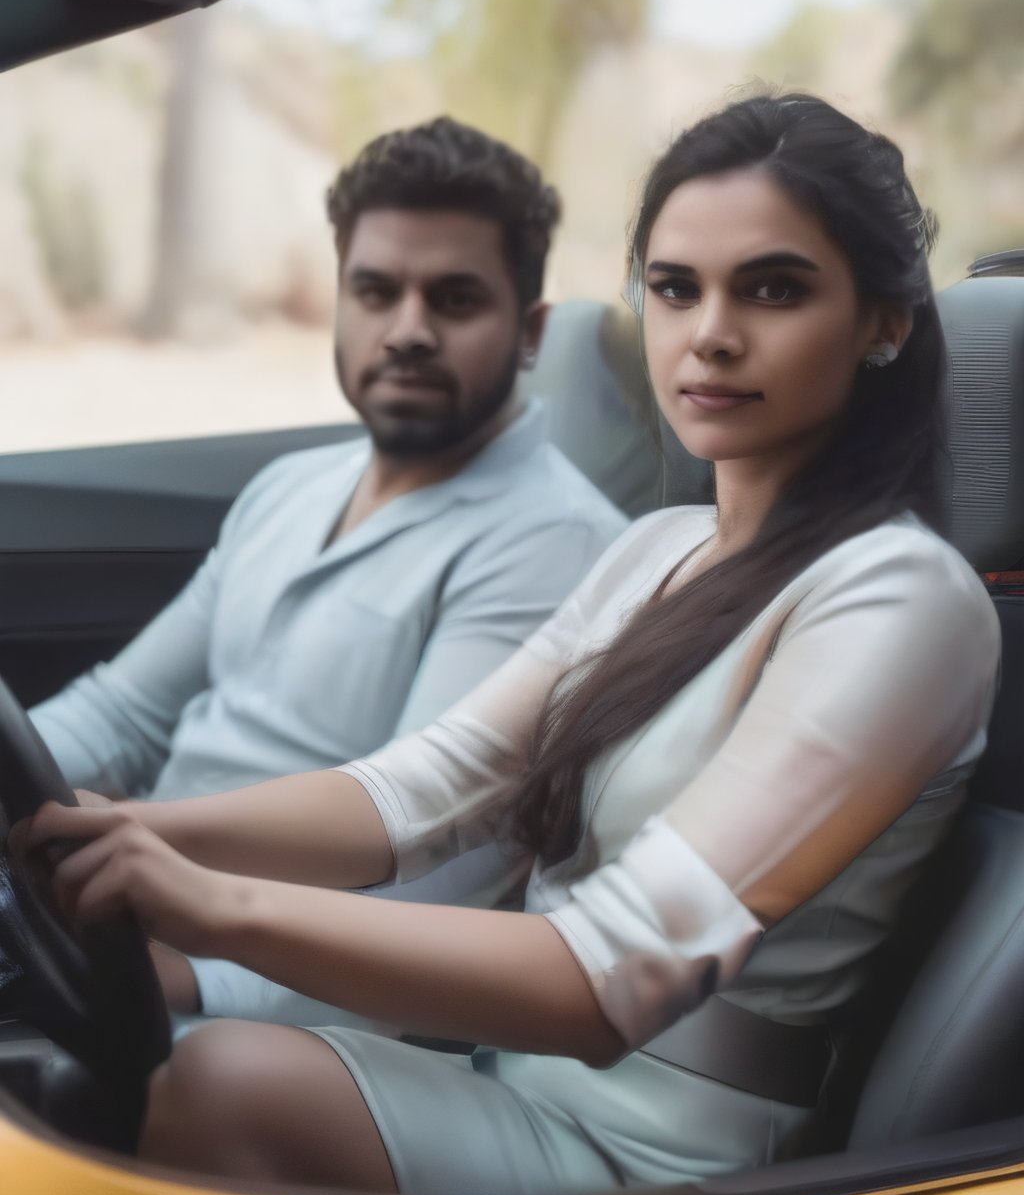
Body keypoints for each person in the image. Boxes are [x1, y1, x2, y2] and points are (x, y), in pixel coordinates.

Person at [21, 92, 1000, 1195]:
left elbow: (608, 978)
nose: (710, 331)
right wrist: (126, 831)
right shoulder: (657, 550)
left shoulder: (903, 602)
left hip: (672, 1159)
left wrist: (210, 912)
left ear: (884, 322)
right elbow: (418, 795)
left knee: (210, 1084)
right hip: (508, 1074)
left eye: (773, 289)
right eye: (675, 287)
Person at [28, 116, 625, 1024]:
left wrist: (192, 985)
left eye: (456, 300)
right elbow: (124, 711)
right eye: (376, 292)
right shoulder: (290, 488)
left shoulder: (557, 549)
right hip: (113, 905)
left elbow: (430, 894)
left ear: (532, 329)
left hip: (249, 993)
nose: (408, 330)